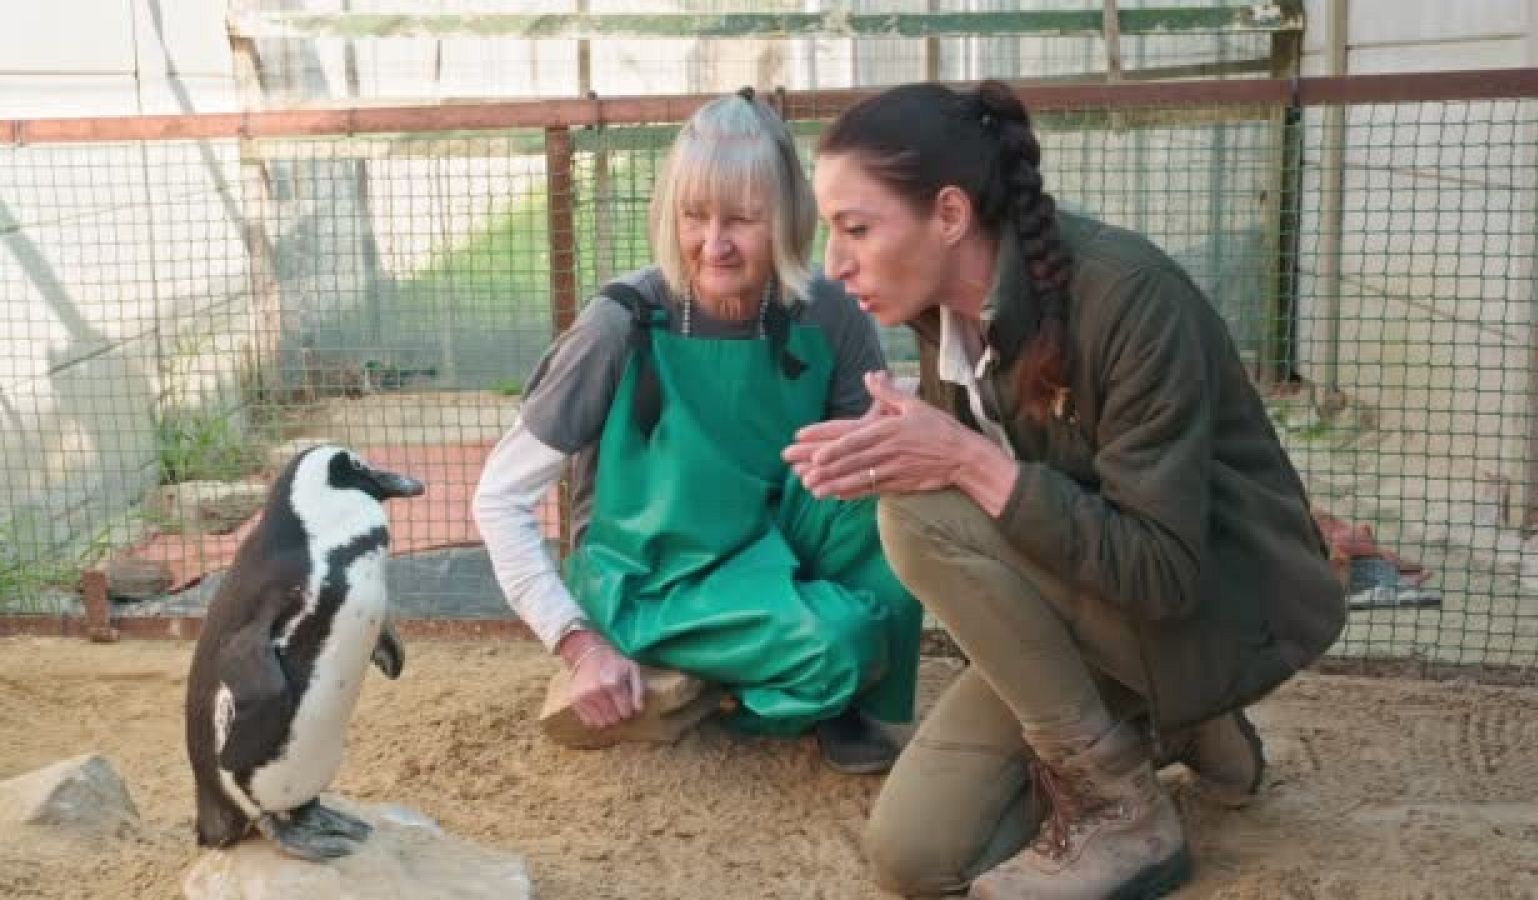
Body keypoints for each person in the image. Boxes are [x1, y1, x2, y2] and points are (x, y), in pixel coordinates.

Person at [784, 80, 1346, 898]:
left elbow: (1162, 571)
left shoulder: (1128, 297)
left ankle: (1124, 808)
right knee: (916, 858)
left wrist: (964, 461)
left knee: (917, 513)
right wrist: (914, 450)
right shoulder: (941, 314)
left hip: (1215, 607)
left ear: (948, 215)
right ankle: (1172, 718)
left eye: (856, 229)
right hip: (1088, 604)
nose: (835, 265)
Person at [472, 89, 921, 775]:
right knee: (847, 640)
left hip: (769, 540)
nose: (714, 244)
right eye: (693, 216)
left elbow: (866, 472)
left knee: (893, 490)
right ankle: (774, 681)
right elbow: (497, 499)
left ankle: (840, 687)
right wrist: (578, 644)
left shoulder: (827, 312)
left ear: (787, 219)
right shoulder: (620, 322)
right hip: (650, 576)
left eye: (742, 219)